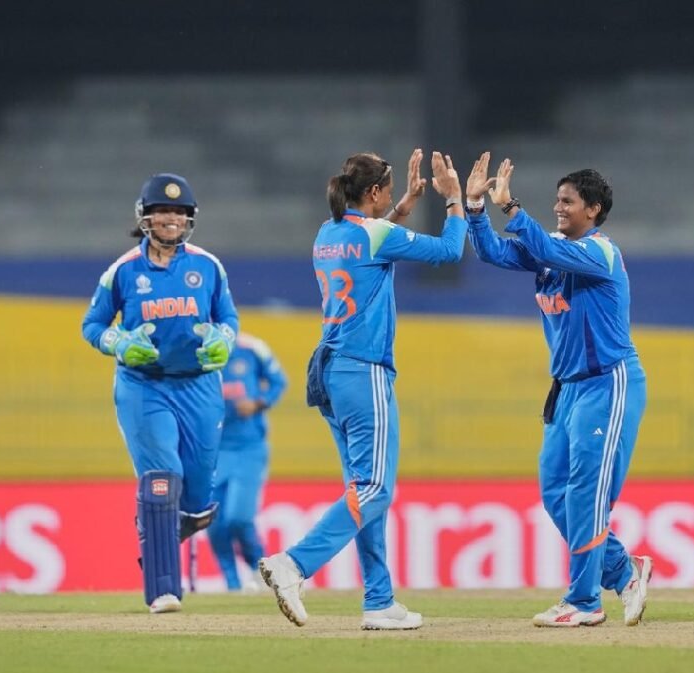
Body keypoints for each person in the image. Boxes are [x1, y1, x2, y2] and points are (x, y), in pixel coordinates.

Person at [258, 148, 472, 630]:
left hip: (328, 369)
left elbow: (373, 241)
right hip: (363, 369)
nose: (395, 196)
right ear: (373, 193)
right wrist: (454, 201)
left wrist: (405, 205)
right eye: (390, 190)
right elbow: (448, 251)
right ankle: (294, 564)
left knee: (361, 488)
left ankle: (379, 601)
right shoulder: (377, 235)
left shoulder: (328, 232)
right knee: (375, 488)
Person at [464, 152, 652, 627]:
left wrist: (511, 208)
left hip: (607, 384)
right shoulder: (550, 249)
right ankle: (623, 571)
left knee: (587, 495)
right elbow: (493, 252)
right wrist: (473, 209)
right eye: (557, 200)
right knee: (555, 493)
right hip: (566, 391)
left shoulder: (601, 253)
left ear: (593, 210)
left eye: (568, 202)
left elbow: (545, 251)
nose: (559, 208)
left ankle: (585, 602)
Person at [81, 173, 239, 614]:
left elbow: (228, 318)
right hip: (145, 387)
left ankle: (156, 529)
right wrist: (117, 343)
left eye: (179, 212)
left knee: (198, 503)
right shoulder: (124, 270)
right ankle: (163, 590)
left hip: (200, 387)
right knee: (161, 480)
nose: (171, 218)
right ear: (145, 217)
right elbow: (91, 325)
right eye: (162, 211)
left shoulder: (208, 266)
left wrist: (224, 340)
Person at [206, 331, 287, 592]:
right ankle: (231, 584)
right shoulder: (197, 351)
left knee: (239, 517)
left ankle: (259, 570)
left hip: (248, 448)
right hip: (213, 450)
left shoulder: (252, 348)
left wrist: (259, 403)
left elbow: (278, 381)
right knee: (215, 522)